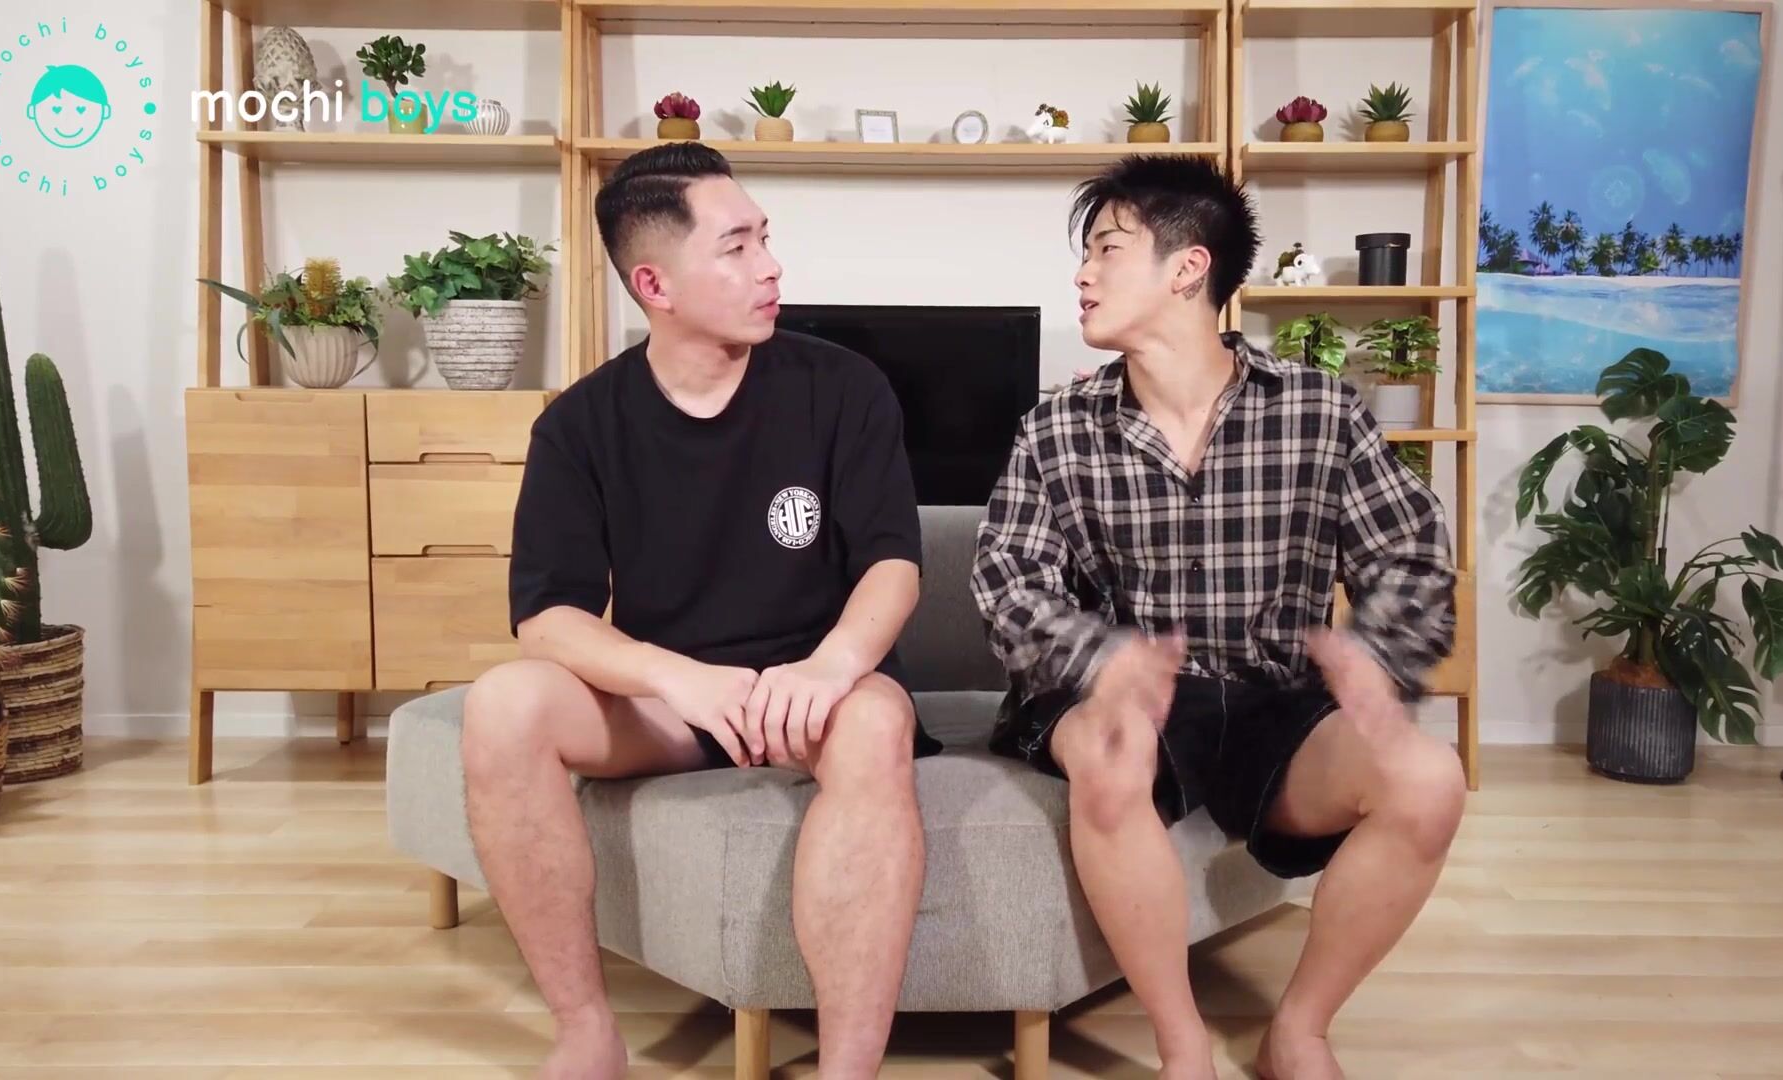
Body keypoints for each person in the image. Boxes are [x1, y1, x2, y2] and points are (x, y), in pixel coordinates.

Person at [970, 154, 1467, 1080]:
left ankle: (1299, 1031)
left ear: (1188, 268)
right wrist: (1100, 660)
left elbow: (1410, 552)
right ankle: (1183, 1045)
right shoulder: (1056, 427)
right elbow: (1009, 582)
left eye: (1106, 250)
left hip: (1279, 700)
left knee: (1430, 779)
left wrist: (1378, 654)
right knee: (1110, 752)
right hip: (1130, 699)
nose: (1082, 274)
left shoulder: (1320, 411)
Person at [461, 141, 939, 1080]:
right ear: (655, 284)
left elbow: (893, 563)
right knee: (503, 704)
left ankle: (849, 1070)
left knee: (876, 720)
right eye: (737, 247)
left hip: (817, 699)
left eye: (765, 238)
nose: (771, 266)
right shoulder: (579, 424)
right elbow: (547, 618)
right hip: (672, 709)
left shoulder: (844, 387)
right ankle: (585, 1031)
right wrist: (677, 679)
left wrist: (833, 666)